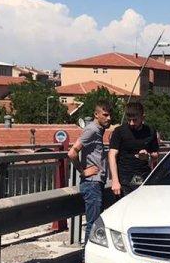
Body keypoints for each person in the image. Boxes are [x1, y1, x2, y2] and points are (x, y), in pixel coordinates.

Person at [68, 101, 112, 242]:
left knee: (95, 224)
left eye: (110, 115)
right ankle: (86, 261)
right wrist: (83, 171)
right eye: (105, 115)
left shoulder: (99, 130)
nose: (109, 118)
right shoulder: (92, 130)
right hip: (92, 183)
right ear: (96, 114)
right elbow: (72, 152)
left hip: (97, 183)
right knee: (93, 225)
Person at [108, 99, 161, 197]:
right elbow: (112, 155)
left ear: (142, 117)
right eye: (129, 120)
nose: (131, 123)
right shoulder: (119, 131)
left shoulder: (150, 131)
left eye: (135, 120)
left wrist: (148, 156)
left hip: (143, 176)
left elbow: (156, 155)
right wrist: (115, 181)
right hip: (124, 178)